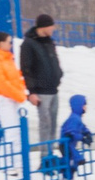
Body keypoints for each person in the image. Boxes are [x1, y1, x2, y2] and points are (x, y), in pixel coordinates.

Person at [21, 12, 64, 142]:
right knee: (45, 124)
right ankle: (45, 157)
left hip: (53, 89)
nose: (53, 29)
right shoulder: (28, 44)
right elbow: (26, 69)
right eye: (51, 26)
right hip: (41, 91)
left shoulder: (49, 42)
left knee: (52, 125)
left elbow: (54, 61)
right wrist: (32, 92)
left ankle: (50, 155)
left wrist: (59, 74)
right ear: (43, 27)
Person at [0, 30, 29, 132]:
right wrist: (20, 96)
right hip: (5, 99)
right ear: (1, 43)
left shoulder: (8, 60)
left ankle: (17, 148)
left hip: (13, 98)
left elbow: (16, 79)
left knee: (18, 131)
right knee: (12, 131)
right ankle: (14, 148)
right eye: (9, 42)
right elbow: (2, 84)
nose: (11, 45)